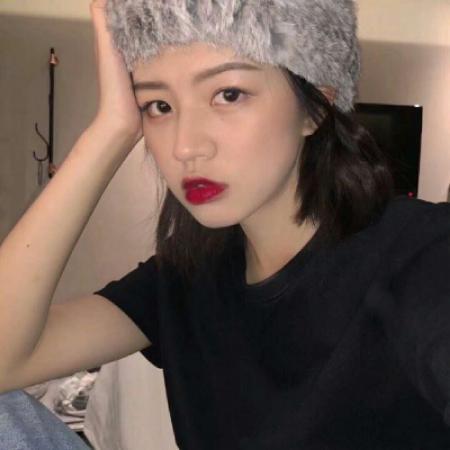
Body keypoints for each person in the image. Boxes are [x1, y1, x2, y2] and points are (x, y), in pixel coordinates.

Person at [0, 1, 449, 449]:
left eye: (228, 95)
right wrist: (110, 129)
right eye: (158, 105)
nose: (185, 146)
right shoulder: (186, 278)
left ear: (316, 108)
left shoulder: (423, 253)